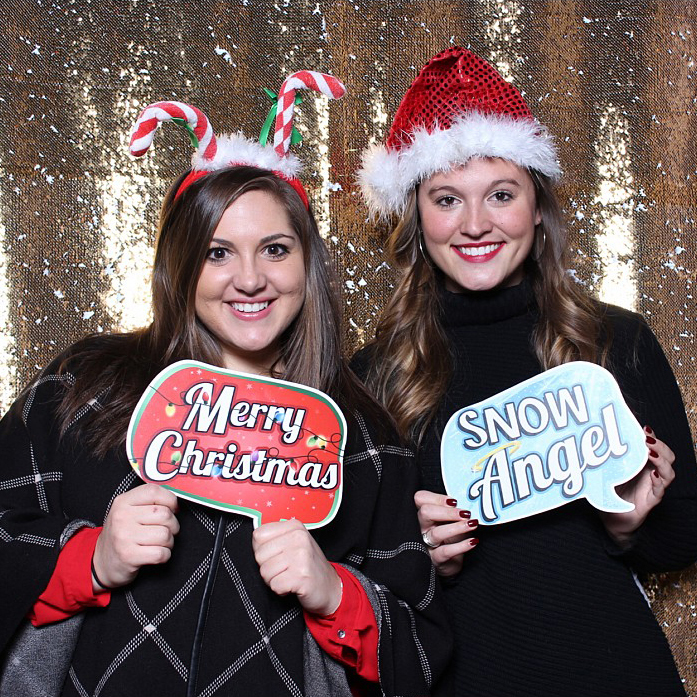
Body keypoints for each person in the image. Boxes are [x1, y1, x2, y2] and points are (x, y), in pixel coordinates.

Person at [0, 77, 451, 697]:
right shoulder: (85, 388)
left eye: (274, 249)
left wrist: (334, 593)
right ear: (180, 265)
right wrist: (90, 560)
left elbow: (426, 653)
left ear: (307, 264)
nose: (249, 279)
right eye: (217, 252)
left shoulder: (360, 436)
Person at [354, 47, 697, 697]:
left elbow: (682, 533)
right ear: (416, 217)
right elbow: (348, 584)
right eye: (447, 198)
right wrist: (411, 555)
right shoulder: (371, 377)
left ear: (535, 206)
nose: (476, 223)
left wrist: (628, 523)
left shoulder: (612, 341)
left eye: (500, 194)